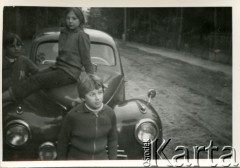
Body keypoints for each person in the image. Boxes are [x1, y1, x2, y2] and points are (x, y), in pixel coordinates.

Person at [2, 7, 93, 102]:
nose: (70, 21)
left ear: (80, 20)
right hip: (59, 68)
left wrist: (92, 79)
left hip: (70, 73)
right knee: (34, 76)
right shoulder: (64, 33)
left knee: (36, 80)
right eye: (68, 18)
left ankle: (5, 97)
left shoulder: (82, 36)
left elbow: (86, 59)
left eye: (74, 18)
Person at [57, 75, 118, 160]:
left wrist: (113, 162)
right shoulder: (73, 116)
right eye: (92, 94)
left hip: (101, 161)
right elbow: (62, 142)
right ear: (83, 98)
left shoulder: (110, 113)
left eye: (100, 92)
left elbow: (113, 140)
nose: (97, 98)